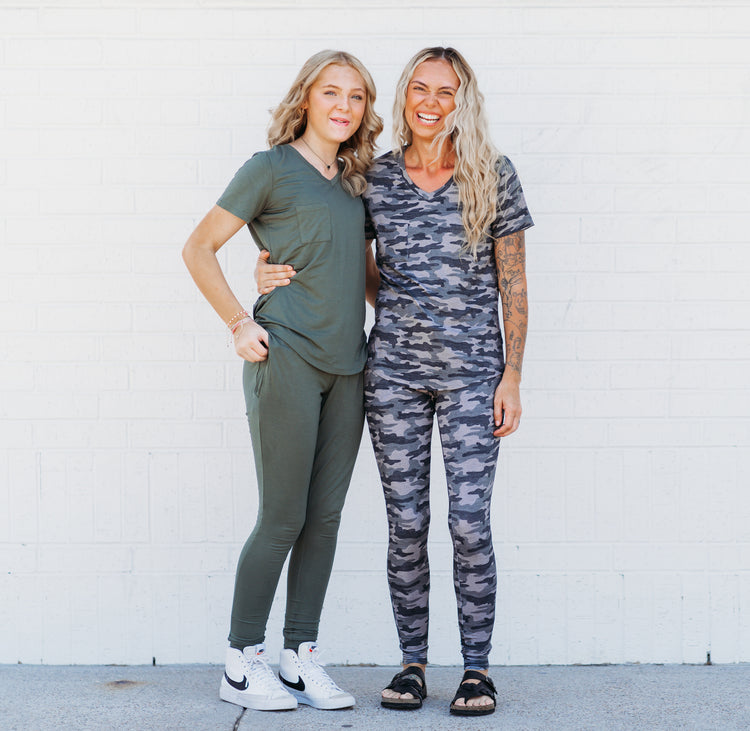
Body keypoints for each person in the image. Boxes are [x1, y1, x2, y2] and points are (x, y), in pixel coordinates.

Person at [256, 46, 532, 717]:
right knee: (405, 523)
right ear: (405, 96)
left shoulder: (493, 174)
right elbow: (339, 252)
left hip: (474, 377)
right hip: (394, 378)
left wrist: (512, 376)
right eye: (420, 89)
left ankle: (476, 670)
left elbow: (515, 283)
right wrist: (268, 269)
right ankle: (412, 664)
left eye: (446, 91)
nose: (431, 102)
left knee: (468, 523)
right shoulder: (373, 178)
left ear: (463, 101)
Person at [182, 50, 382, 713]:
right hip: (287, 357)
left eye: (356, 96)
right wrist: (240, 320)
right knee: (282, 517)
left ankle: (299, 658)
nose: (344, 106)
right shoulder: (267, 169)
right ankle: (242, 661)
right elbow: (198, 247)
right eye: (332, 92)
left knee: (323, 519)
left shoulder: (356, 182)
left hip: (349, 367)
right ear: (305, 99)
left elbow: (357, 270)